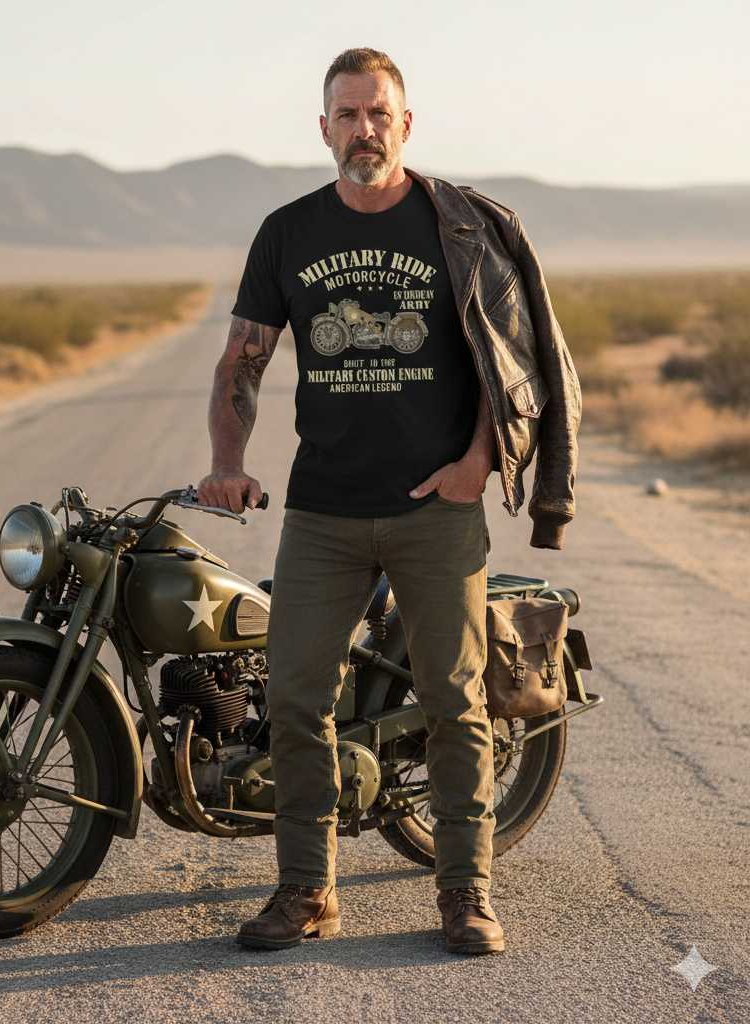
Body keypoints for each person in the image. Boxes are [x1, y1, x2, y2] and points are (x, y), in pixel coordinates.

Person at [197, 46, 581, 957]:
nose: (362, 129)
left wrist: (477, 464)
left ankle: (466, 893)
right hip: (323, 510)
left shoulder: (456, 228)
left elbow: (505, 355)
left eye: (378, 113)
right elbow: (243, 362)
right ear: (322, 126)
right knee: (293, 699)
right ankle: (307, 890)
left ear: (406, 124)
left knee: (456, 702)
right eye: (346, 113)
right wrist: (227, 461)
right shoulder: (287, 232)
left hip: (435, 509)